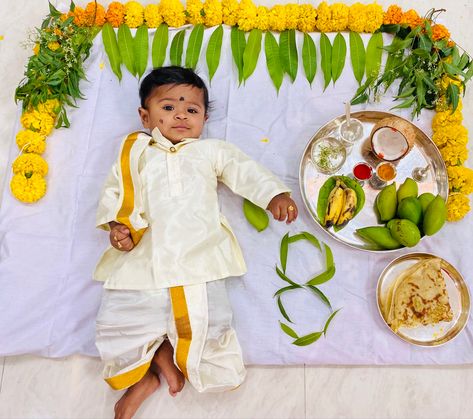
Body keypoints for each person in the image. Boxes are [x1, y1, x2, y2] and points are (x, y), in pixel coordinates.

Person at [94, 66, 298, 419]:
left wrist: (274, 194)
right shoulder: (135, 153)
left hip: (198, 255)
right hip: (143, 256)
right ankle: (150, 369)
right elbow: (116, 192)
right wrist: (118, 227)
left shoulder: (211, 151)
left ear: (204, 117)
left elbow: (242, 169)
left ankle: (163, 359)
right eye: (169, 108)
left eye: (192, 110)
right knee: (121, 322)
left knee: (211, 323)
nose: (181, 116)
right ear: (145, 116)